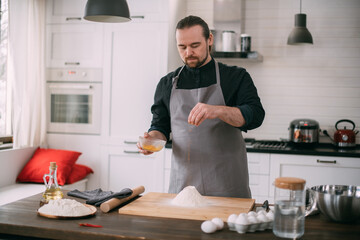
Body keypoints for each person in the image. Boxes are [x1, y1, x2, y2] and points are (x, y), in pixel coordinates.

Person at [137, 15, 265, 198]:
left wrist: (219, 110)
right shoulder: (166, 84)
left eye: (195, 45)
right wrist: (151, 140)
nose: (188, 52)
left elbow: (256, 115)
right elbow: (160, 127)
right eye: (182, 47)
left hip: (227, 186)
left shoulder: (236, 77)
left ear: (209, 40)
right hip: (183, 187)